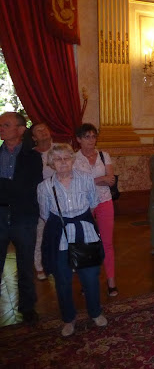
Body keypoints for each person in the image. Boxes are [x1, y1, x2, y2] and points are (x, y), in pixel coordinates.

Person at [37, 143, 107, 336]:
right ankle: (68, 318)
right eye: (57, 159)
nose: (63, 162)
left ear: (73, 160)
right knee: (62, 279)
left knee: (91, 277)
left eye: (66, 158)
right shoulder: (44, 187)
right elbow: (45, 214)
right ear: (51, 163)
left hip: (85, 232)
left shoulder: (86, 179)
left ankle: (95, 312)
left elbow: (93, 203)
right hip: (60, 236)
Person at [0, 112, 42, 325]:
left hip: (24, 216)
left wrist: (5, 186)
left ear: (20, 129)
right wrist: (10, 187)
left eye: (6, 125)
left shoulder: (32, 157)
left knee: (25, 265)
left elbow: (27, 189)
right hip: (0, 215)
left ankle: (27, 308)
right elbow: (16, 187)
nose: (1, 128)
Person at [73, 123, 119, 297]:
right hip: (83, 204)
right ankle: (87, 281)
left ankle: (111, 280)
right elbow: (76, 184)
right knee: (85, 245)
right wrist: (101, 179)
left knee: (107, 243)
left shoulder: (103, 155)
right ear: (79, 139)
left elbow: (111, 180)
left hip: (104, 201)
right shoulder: (74, 159)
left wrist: (94, 180)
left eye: (93, 136)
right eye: (87, 137)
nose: (91, 140)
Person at [31, 122, 54, 280]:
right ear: (34, 138)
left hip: (61, 198)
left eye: (45, 128)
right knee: (40, 233)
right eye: (39, 131)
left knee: (62, 232)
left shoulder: (60, 149)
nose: (43, 131)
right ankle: (39, 266)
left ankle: (65, 261)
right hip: (39, 199)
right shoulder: (30, 154)